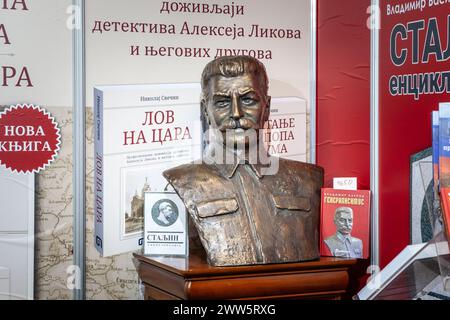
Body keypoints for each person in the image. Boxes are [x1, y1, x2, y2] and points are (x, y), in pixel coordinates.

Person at [163, 56, 323, 266]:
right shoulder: (184, 181)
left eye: (248, 100)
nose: (236, 113)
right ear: (205, 110)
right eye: (222, 102)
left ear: (266, 107)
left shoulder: (308, 180)